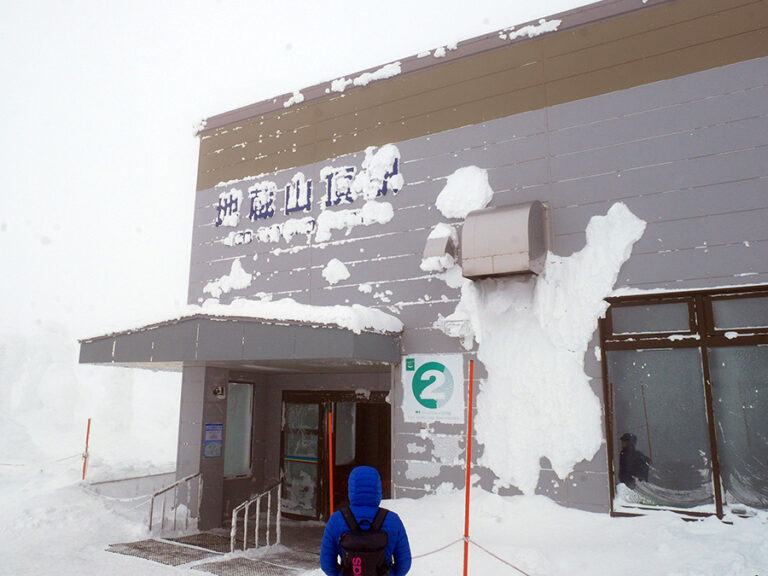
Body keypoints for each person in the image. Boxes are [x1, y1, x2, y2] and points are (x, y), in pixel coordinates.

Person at [320, 465, 412, 576]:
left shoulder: (336, 520)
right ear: (378, 488)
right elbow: (404, 564)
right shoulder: (392, 520)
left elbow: (326, 564)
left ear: (351, 489)